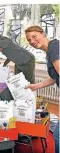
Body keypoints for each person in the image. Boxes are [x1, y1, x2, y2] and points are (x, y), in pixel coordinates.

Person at [25, 25, 59, 153]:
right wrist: (36, 86)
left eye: (34, 36)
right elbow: (55, 77)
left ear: (43, 34)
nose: (32, 41)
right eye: (29, 40)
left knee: (58, 136)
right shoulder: (49, 51)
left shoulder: (54, 47)